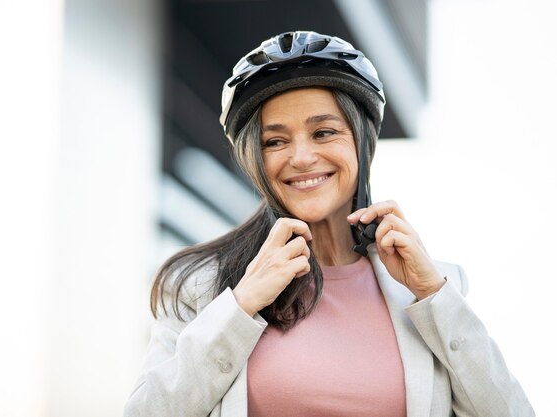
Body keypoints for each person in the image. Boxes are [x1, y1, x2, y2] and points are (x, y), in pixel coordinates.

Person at [124, 31, 534, 417]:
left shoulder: (432, 288)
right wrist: (241, 304)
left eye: (323, 132)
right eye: (276, 141)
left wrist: (433, 296)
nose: (301, 157)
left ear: (361, 142)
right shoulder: (201, 285)